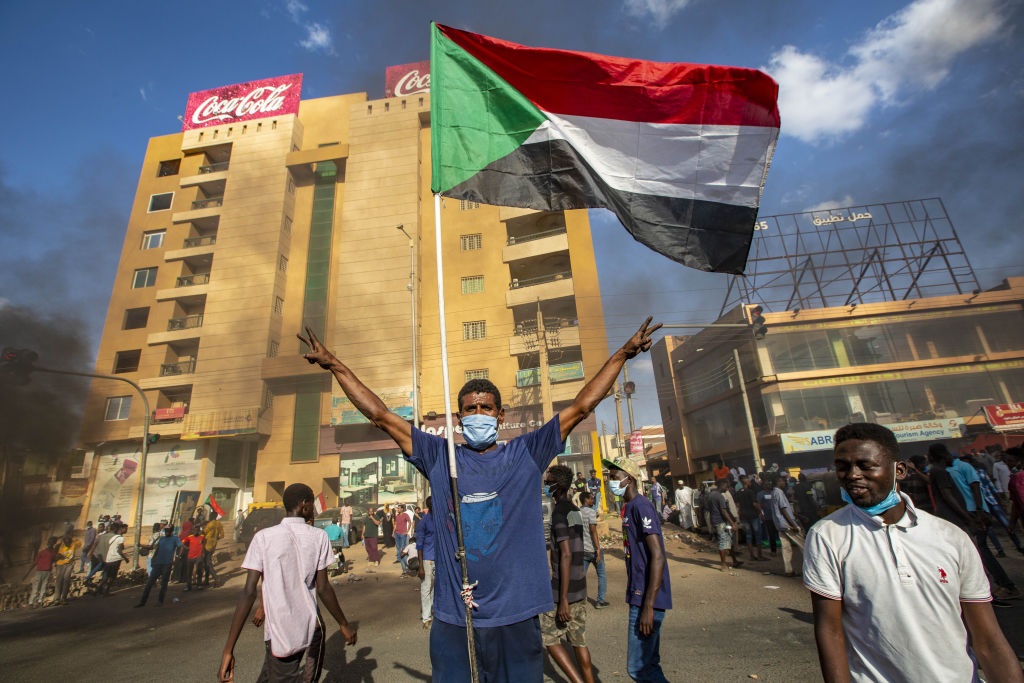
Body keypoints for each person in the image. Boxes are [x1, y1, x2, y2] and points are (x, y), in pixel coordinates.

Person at [298, 316, 660, 681]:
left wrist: (623, 355)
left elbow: (581, 407)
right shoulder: (441, 457)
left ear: (500, 416)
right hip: (456, 618)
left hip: (516, 617)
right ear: (459, 417)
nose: (478, 415)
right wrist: (335, 366)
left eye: (486, 408)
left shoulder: (526, 453)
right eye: (470, 409)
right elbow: (380, 415)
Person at [805, 423, 1023, 682]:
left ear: (899, 470)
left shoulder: (951, 537)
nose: (852, 475)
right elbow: (830, 630)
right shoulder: (828, 535)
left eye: (866, 465)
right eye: (843, 466)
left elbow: (988, 638)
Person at [219, 483, 357, 683]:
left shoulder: (263, 538)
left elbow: (249, 592)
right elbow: (323, 588)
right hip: (309, 626)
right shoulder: (319, 537)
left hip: (278, 631)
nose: (314, 508)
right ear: (304, 505)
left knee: (274, 672)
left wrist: (228, 649)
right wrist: (344, 624)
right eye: (311, 502)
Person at [605, 456, 671, 683]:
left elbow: (658, 556)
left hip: (646, 598)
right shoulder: (628, 507)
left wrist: (648, 606)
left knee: (638, 668)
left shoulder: (641, 506)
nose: (610, 481)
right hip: (639, 593)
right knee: (649, 665)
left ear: (628, 479)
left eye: (614, 477)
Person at [927, 445, 1021, 600]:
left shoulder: (963, 466)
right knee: (977, 552)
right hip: (964, 515)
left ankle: (1004, 586)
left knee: (980, 552)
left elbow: (976, 487)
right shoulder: (943, 470)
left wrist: (979, 511)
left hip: (973, 514)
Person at [541, 465, 594, 683]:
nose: (545, 484)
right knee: (578, 641)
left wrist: (562, 599)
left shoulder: (560, 513)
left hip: (563, 592)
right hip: (579, 588)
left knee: (550, 639)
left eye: (548, 481)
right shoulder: (574, 510)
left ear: (557, 485)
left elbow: (565, 554)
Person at [136, 526, 183, 607]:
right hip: (158, 563)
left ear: (171, 531)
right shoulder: (161, 539)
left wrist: (178, 556)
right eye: (166, 530)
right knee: (149, 583)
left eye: (168, 531)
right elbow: (154, 548)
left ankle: (160, 601)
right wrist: (152, 557)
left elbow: (181, 546)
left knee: (164, 583)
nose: (167, 532)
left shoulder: (175, 538)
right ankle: (142, 602)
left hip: (167, 563)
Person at [769, 476, 804, 577]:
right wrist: (794, 525)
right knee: (803, 545)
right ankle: (811, 569)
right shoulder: (779, 492)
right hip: (787, 524)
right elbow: (784, 510)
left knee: (786, 548)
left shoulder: (774, 492)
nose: (785, 483)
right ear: (779, 481)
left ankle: (788, 570)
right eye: (783, 481)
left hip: (780, 524)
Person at [579, 491, 608, 609]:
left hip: (582, 549)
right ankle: (600, 601)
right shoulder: (591, 512)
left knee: (581, 576)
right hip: (593, 549)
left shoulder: (578, 512)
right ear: (586, 499)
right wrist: (598, 549)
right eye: (591, 498)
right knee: (601, 574)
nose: (593, 500)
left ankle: (580, 599)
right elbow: (593, 531)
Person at [708, 479, 743, 572]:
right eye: (727, 486)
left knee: (729, 540)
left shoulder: (710, 495)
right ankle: (723, 564)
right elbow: (724, 511)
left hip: (715, 520)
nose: (727, 489)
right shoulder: (720, 496)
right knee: (723, 543)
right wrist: (732, 523)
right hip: (721, 522)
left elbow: (707, 508)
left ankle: (734, 561)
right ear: (722, 485)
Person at [735, 475, 766, 561]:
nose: (750, 483)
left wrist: (739, 516)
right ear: (746, 482)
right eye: (749, 481)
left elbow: (737, 506)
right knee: (758, 535)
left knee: (748, 536)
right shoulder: (750, 492)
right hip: (753, 515)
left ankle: (751, 556)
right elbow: (754, 504)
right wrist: (761, 513)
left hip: (744, 516)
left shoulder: (738, 492)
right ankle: (759, 555)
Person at [417, 496, 436, 629]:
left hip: (439, 559)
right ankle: (426, 618)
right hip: (427, 559)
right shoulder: (424, 522)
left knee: (435, 588)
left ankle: (431, 611)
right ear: (429, 506)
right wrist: (420, 567)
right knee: (426, 588)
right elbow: (419, 545)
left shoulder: (439, 519)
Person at [25, 536, 57, 607]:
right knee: (36, 587)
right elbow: (35, 563)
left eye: (52, 542)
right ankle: (31, 602)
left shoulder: (53, 552)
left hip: (48, 572)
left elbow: (54, 561)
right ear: (48, 543)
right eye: (49, 542)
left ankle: (40, 601)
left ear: (54, 543)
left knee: (44, 587)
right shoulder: (42, 552)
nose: (50, 543)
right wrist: (27, 573)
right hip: (39, 572)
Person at [52, 530, 82, 605]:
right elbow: (54, 556)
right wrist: (57, 558)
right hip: (60, 564)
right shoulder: (59, 546)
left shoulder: (74, 544)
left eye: (68, 542)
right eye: (65, 542)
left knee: (66, 580)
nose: (67, 544)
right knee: (59, 581)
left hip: (69, 564)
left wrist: (73, 538)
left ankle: (63, 598)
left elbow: (80, 543)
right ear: (63, 541)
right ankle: (56, 599)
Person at [98, 523, 127, 596]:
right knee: (112, 577)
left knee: (107, 575)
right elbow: (119, 551)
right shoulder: (120, 538)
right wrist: (125, 558)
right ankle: (106, 592)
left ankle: (98, 589)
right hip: (115, 559)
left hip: (109, 558)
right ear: (120, 529)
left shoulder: (112, 537)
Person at [182, 525, 205, 591]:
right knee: (189, 572)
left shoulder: (202, 537)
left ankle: (199, 585)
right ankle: (188, 586)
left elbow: (205, 543)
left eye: (196, 530)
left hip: (199, 556)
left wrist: (203, 552)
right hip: (190, 557)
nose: (195, 531)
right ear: (192, 531)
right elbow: (182, 542)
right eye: (194, 530)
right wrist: (187, 548)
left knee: (199, 570)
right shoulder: (189, 537)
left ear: (198, 531)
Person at [394, 502, 412, 573]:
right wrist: (393, 532)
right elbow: (395, 524)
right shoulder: (397, 516)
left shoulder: (405, 515)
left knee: (402, 549)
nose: (397, 509)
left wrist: (407, 531)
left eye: (398, 508)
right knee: (398, 548)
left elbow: (410, 522)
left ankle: (406, 566)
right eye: (397, 508)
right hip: (397, 534)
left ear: (402, 509)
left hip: (403, 534)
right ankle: (401, 561)